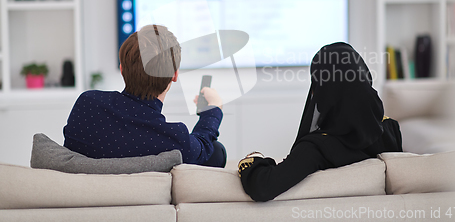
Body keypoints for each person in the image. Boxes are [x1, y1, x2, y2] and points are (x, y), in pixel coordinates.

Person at [238, 42, 402, 201]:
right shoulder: (390, 129)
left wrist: (254, 159)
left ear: (323, 94)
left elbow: (263, 187)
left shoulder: (316, 149)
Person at [63, 24, 226, 167]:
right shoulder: (172, 139)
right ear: (174, 75)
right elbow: (203, 146)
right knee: (217, 152)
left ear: (122, 69)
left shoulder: (86, 105)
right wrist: (213, 110)